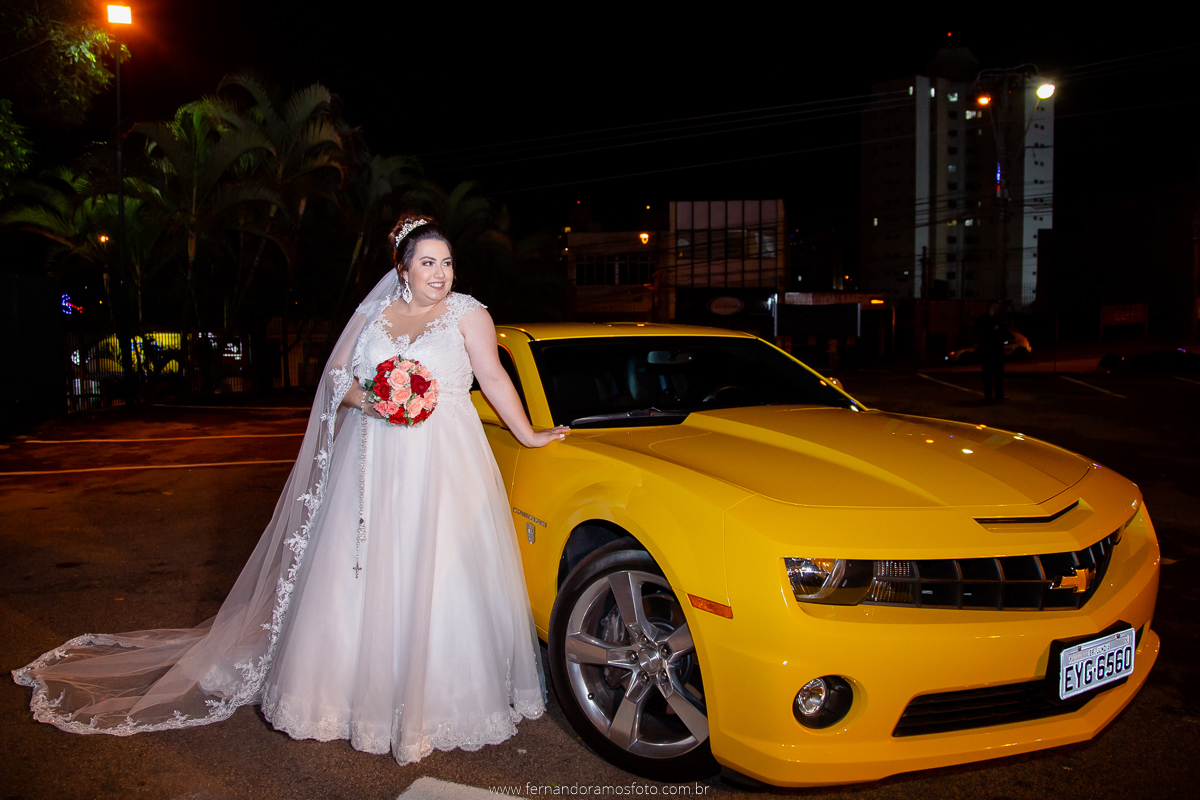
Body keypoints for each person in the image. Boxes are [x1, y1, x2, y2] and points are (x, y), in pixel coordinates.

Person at [12, 215, 570, 765]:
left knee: (440, 567)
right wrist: (373, 400)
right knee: (360, 567)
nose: (440, 273)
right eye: (428, 263)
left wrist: (530, 433)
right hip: (374, 456)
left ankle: (443, 699)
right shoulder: (374, 313)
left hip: (445, 457)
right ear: (402, 268)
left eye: (447, 263)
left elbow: (494, 377)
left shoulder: (469, 314)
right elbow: (336, 379)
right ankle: (352, 697)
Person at [975, 300, 1009, 401]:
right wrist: (992, 330)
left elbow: (1004, 332)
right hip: (988, 351)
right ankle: (989, 394)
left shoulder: (997, 318)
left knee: (998, 374)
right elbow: (979, 333)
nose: (998, 307)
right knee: (988, 374)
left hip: (997, 351)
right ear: (992, 306)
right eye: (997, 305)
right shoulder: (983, 318)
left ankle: (998, 394)